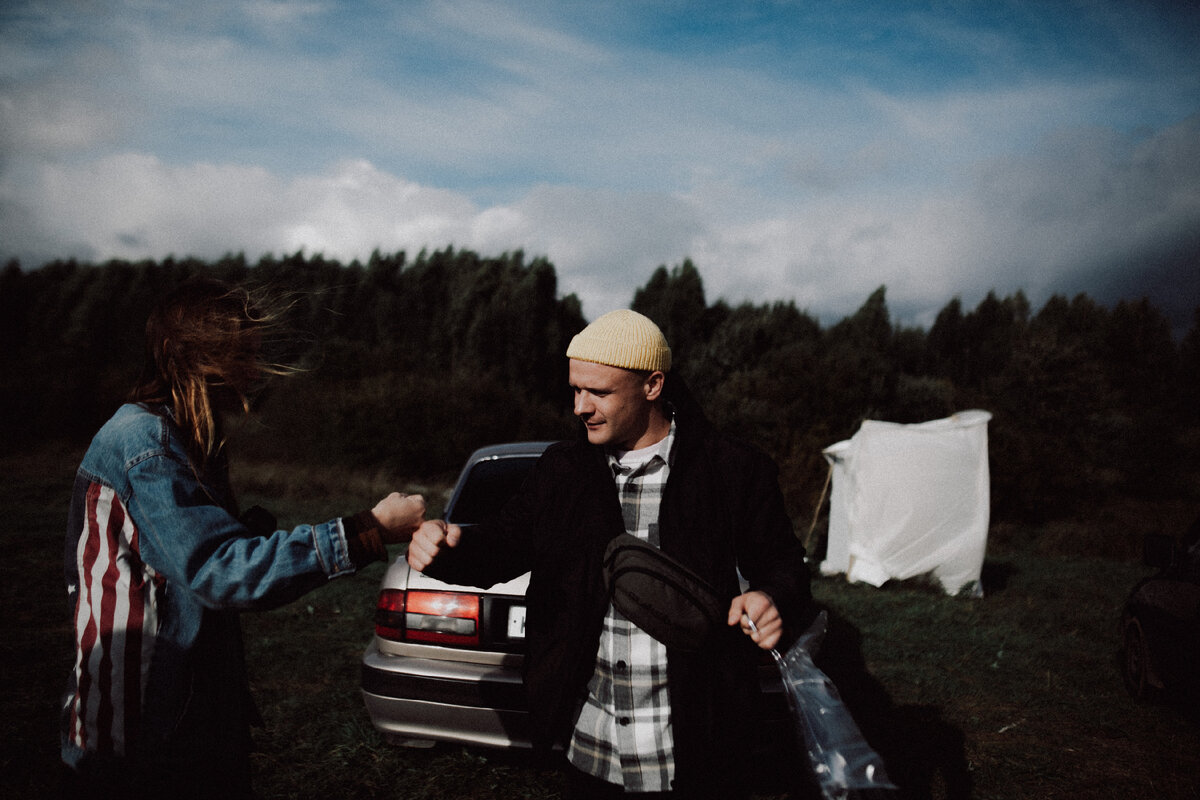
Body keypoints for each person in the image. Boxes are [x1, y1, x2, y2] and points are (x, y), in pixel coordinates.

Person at [407, 309, 811, 799]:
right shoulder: (561, 470)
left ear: (652, 385)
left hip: (694, 747)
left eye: (598, 392)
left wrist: (771, 596)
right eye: (575, 390)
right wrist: (448, 546)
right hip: (591, 745)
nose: (580, 407)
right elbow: (501, 546)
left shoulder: (732, 469)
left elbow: (784, 565)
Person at [60, 277, 425, 799]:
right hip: (142, 730)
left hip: (189, 712)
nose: (253, 372)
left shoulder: (187, 436)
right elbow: (220, 571)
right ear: (183, 355)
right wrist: (370, 530)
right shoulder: (144, 441)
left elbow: (180, 561)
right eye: (238, 355)